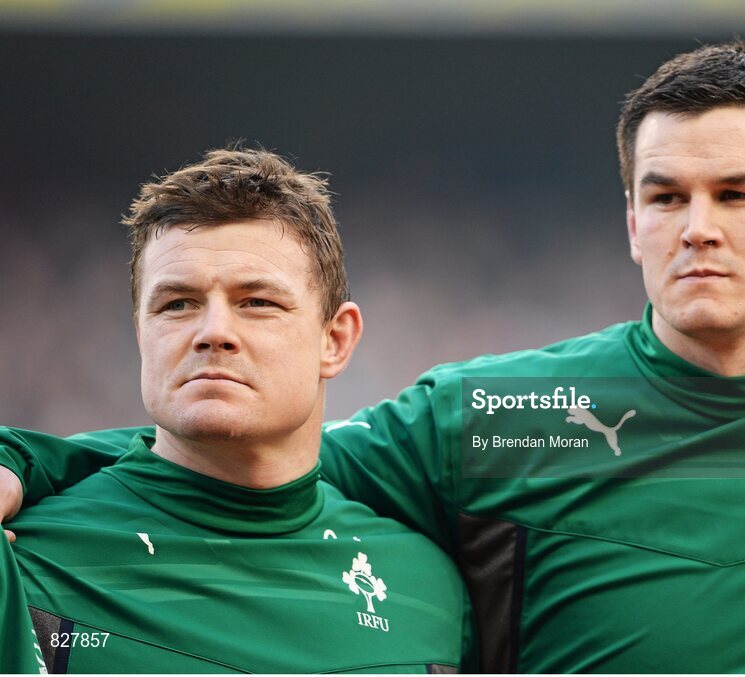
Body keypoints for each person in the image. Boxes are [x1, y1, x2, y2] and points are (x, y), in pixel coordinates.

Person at [2, 43, 745, 672]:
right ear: (630, 220)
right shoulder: (494, 415)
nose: (696, 227)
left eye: (737, 193)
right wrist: (30, 458)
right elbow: (242, 458)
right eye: (665, 195)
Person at [0, 148, 472, 672]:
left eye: (257, 302)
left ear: (335, 340)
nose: (213, 333)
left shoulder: (428, 589)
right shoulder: (27, 562)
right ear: (141, 335)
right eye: (177, 304)